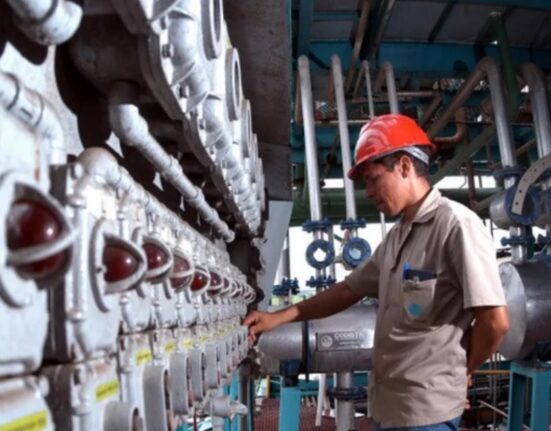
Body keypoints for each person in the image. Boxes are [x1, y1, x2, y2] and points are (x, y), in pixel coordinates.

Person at [244, 114, 509, 430]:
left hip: (427, 414)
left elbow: (495, 322)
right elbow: (348, 290)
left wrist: (464, 371)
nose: (368, 192)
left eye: (373, 179)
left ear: (404, 166)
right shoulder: (397, 236)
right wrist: (277, 317)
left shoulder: (456, 226)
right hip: (389, 407)